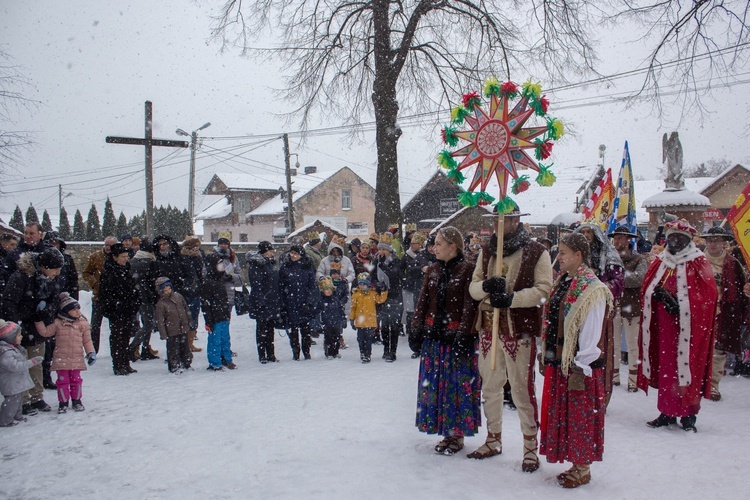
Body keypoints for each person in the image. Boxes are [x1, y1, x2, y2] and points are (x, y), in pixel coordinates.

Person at [467, 204, 552, 472]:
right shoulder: (486, 250)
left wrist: (513, 299)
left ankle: (530, 447)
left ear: (517, 220)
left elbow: (544, 291)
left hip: (519, 330)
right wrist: (485, 288)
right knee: (490, 386)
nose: (499, 226)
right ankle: (493, 439)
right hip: (489, 328)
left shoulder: (537, 252)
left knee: (521, 390)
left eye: (506, 220)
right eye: (496, 221)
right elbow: (473, 287)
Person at [539, 232, 614, 488]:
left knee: (580, 417)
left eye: (562, 253)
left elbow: (592, 332)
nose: (558, 257)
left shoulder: (592, 289)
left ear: (578, 255)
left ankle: (583, 468)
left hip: (580, 366)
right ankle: (575, 462)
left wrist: (582, 365)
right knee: (568, 416)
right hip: (562, 363)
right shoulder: (565, 281)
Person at [638, 219, 718, 432]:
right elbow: (647, 287)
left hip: (690, 329)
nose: (675, 242)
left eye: (680, 238)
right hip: (665, 329)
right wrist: (656, 296)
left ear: (689, 241)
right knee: (667, 369)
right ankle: (667, 412)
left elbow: (708, 296)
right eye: (672, 237)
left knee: (690, 367)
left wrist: (681, 305)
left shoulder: (698, 262)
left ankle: (689, 416)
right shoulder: (661, 261)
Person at [412, 226, 481, 456]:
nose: (434, 248)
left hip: (455, 340)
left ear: (453, 247)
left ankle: (456, 434)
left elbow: (469, 306)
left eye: (439, 244)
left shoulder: (468, 270)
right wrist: (417, 329)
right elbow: (423, 302)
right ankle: (444, 430)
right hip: (434, 337)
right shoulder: (431, 270)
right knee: (437, 387)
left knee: (455, 387)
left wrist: (463, 334)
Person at [1, 247, 63, 415]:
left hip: (37, 327)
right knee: (21, 365)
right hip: (21, 329)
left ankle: (37, 397)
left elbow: (54, 299)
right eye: (55, 269)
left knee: (37, 363)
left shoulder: (49, 279)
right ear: (45, 266)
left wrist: (46, 310)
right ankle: (24, 399)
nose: (57, 273)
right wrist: (15, 326)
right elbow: (9, 301)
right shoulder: (22, 277)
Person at [699, 226, 746, 401]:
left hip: (723, 312)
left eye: (717, 240)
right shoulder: (698, 261)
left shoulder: (732, 263)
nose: (713, 244)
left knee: (718, 351)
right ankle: (698, 383)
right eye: (710, 240)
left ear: (724, 243)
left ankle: (713, 386)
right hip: (701, 313)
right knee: (699, 349)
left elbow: (742, 289)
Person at [33, 293, 96, 413]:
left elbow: (87, 340)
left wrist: (91, 353)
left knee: (76, 381)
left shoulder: (82, 324)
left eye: (78, 308)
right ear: (66, 311)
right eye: (74, 309)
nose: (77, 311)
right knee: (62, 382)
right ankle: (63, 402)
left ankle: (77, 400)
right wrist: (38, 321)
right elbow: (45, 332)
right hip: (60, 359)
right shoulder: (58, 323)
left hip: (76, 359)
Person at [608, 225, 648, 391]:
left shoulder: (639, 259)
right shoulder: (609, 258)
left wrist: (618, 277)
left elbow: (639, 279)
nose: (617, 241)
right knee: (614, 344)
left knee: (632, 344)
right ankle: (614, 377)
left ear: (628, 239)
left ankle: (633, 379)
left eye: (620, 237)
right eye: (615, 238)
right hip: (614, 306)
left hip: (632, 306)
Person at [41, 231, 79, 390]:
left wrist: (72, 303)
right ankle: (46, 375)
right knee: (47, 342)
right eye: (50, 243)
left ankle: (63, 371)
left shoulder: (67, 261)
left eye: (56, 243)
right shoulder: (43, 261)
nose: (53, 246)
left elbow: (73, 282)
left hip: (64, 303)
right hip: (48, 304)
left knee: (62, 341)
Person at [154, 234, 201, 351]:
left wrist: (180, 286)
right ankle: (173, 352)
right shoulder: (157, 260)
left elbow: (191, 276)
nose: (163, 247)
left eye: (165, 244)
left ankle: (185, 350)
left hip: (182, 296)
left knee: (184, 323)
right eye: (160, 245)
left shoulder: (180, 258)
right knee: (171, 326)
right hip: (165, 298)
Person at [99, 243, 140, 376]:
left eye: (126, 256)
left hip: (128, 309)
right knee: (117, 337)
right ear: (115, 257)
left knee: (126, 336)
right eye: (123, 256)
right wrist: (112, 307)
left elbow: (132, 288)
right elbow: (105, 293)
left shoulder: (126, 269)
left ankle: (125, 362)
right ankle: (118, 364)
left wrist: (134, 301)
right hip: (116, 310)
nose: (125, 259)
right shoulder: (109, 271)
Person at [278, 244, 319, 360]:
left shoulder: (307, 266)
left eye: (295, 253)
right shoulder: (285, 267)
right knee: (293, 331)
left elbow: (312, 286)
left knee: (305, 330)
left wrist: (309, 301)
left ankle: (307, 352)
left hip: (304, 302)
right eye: (291, 253)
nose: (293, 255)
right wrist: (283, 303)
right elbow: (281, 286)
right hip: (290, 302)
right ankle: (295, 352)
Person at [0, 320, 43, 427]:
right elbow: (15, 366)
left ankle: (17, 415)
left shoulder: (15, 349)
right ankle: (6, 420)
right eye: (19, 335)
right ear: (10, 337)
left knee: (18, 400)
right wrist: (31, 362)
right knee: (11, 402)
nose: (21, 337)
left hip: (16, 382)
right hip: (10, 382)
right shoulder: (6, 352)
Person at [246, 241, 281, 364]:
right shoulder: (256, 265)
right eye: (270, 251)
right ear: (264, 252)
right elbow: (256, 285)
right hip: (262, 301)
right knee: (262, 329)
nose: (272, 253)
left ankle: (271, 353)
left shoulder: (271, 264)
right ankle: (262, 354)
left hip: (271, 300)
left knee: (270, 329)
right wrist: (261, 301)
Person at [82, 236, 117, 353]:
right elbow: (86, 273)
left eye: (111, 245)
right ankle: (93, 351)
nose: (108, 248)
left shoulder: (118, 257)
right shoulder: (95, 256)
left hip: (113, 297)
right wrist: (95, 283)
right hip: (99, 296)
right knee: (95, 326)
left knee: (115, 326)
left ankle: (115, 351)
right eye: (106, 245)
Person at [154, 277, 196, 374]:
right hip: (171, 331)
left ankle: (186, 363)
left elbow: (186, 309)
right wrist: (163, 334)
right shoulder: (161, 304)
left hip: (183, 327)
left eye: (169, 289)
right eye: (165, 290)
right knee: (173, 350)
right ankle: (174, 366)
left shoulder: (178, 297)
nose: (168, 291)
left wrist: (189, 320)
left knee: (185, 348)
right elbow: (160, 321)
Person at [201, 254, 235, 371]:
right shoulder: (208, 282)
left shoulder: (220, 279)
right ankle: (215, 362)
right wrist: (208, 321)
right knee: (215, 341)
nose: (222, 267)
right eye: (219, 265)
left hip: (223, 315)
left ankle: (226, 359)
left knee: (225, 339)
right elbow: (205, 304)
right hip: (215, 317)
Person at [373, 232, 403, 362]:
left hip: (394, 296)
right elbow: (372, 274)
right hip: (382, 296)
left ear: (389, 250)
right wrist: (378, 283)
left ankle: (393, 351)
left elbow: (396, 276)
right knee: (384, 324)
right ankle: (386, 349)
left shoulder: (396, 260)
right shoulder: (376, 260)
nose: (381, 251)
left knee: (394, 325)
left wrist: (383, 266)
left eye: (383, 249)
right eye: (379, 249)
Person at [129, 238, 160, 361]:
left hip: (136, 295)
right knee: (149, 323)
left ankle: (144, 349)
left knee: (145, 323)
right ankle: (133, 348)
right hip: (146, 297)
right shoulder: (150, 262)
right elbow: (152, 282)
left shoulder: (134, 260)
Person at [402, 232, 431, 358]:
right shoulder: (420, 256)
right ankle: (416, 346)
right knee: (416, 316)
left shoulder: (436, 257)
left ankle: (427, 345)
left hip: (430, 291)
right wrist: (421, 269)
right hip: (417, 289)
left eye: (415, 243)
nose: (412, 245)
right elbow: (409, 269)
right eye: (412, 243)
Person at [349, 272, 388, 363]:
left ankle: (367, 354)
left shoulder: (373, 294)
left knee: (368, 340)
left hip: (370, 321)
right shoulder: (356, 295)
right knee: (360, 339)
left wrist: (384, 290)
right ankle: (362, 352)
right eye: (360, 284)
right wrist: (352, 319)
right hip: (360, 322)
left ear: (367, 284)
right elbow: (353, 308)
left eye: (364, 284)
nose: (362, 286)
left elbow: (380, 300)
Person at [181, 236, 205, 353]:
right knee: (188, 317)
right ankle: (186, 343)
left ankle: (190, 342)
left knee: (193, 316)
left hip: (195, 290)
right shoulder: (185, 258)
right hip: (188, 290)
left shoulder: (198, 256)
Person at [319, 276, 347, 359]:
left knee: (337, 337)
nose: (328, 291)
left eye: (329, 289)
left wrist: (343, 318)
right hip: (327, 323)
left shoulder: (335, 299)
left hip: (336, 322)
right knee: (328, 339)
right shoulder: (322, 300)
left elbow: (340, 309)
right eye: (326, 289)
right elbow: (318, 311)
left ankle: (336, 351)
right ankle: (329, 352)